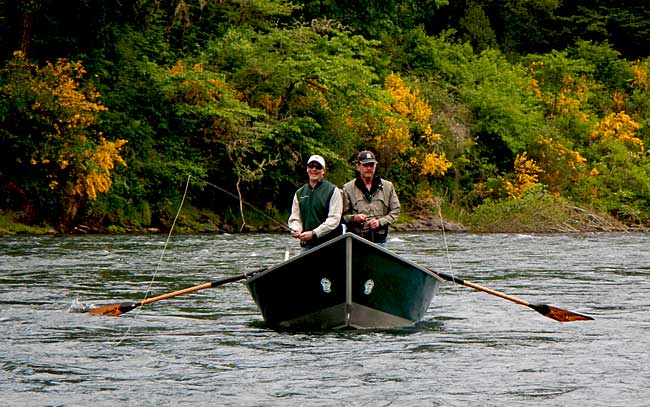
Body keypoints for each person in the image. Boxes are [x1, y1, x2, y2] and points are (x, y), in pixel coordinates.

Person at [342, 150, 400, 245]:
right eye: (365, 165)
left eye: (371, 165)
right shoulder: (348, 188)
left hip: (380, 240)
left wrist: (380, 222)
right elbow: (342, 216)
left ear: (375, 166)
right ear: (358, 166)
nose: (369, 168)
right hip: (356, 240)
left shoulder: (388, 186)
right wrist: (354, 218)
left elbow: (395, 211)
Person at [288, 154, 343, 249]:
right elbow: (295, 218)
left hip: (331, 245)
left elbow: (334, 219)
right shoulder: (299, 193)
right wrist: (296, 229)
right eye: (311, 166)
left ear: (323, 171)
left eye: (318, 167)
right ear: (307, 169)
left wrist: (314, 233)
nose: (314, 169)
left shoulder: (333, 190)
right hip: (308, 245)